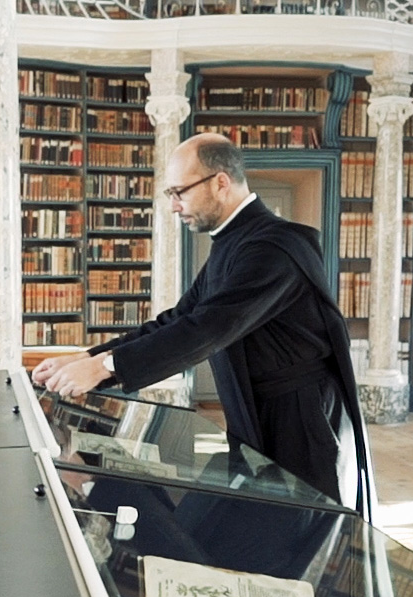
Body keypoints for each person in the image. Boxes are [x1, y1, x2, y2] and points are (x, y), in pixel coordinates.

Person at [31, 133, 367, 506]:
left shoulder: (275, 247)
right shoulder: (237, 241)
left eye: (180, 192)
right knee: (257, 531)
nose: (174, 206)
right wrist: (88, 360)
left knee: (301, 535)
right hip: (259, 411)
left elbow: (205, 329)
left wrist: (105, 367)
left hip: (299, 422)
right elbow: (179, 318)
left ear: (220, 182)